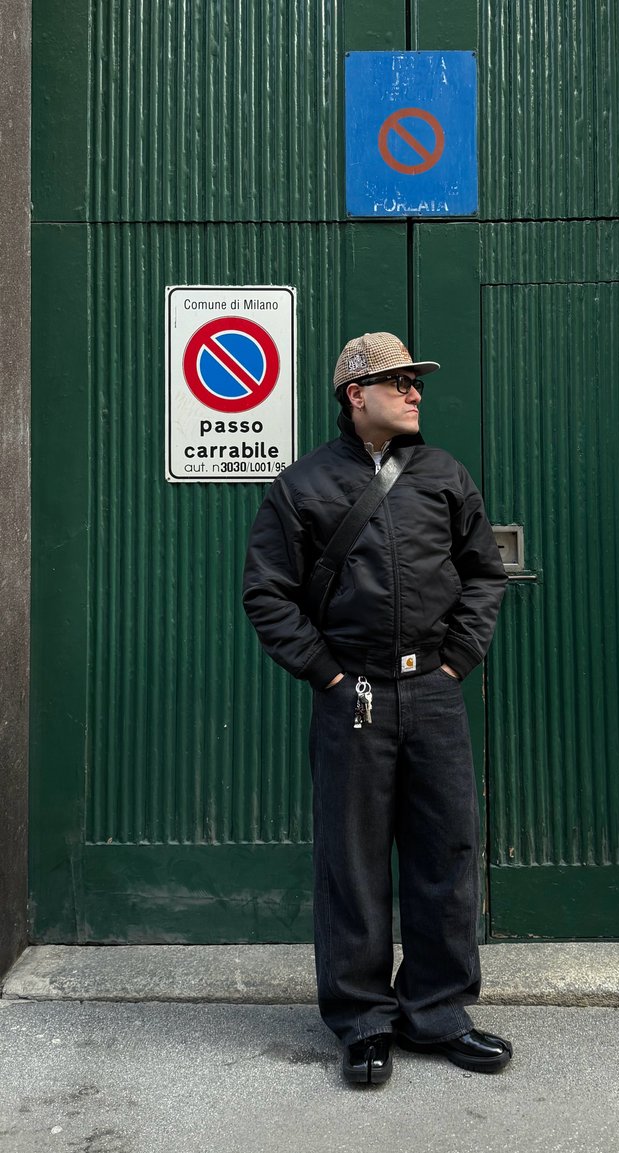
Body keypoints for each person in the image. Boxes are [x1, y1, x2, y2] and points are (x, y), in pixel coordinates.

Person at [242, 331, 511, 1085]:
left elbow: (483, 574)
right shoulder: (303, 486)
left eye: (415, 381)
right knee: (352, 863)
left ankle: (439, 1010)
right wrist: (325, 673)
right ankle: (361, 1019)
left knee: (445, 852)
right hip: (350, 693)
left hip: (432, 690)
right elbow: (267, 591)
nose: (415, 391)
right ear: (355, 395)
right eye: (398, 382)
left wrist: (458, 658)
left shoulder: (444, 477)